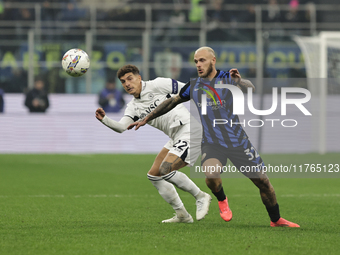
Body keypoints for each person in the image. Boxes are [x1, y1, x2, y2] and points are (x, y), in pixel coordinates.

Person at [128, 47, 300, 228]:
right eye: (196, 61)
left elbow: (250, 88)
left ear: (213, 60)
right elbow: (172, 101)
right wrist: (146, 118)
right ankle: (222, 199)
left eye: (202, 60)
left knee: (263, 183)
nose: (198, 65)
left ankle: (276, 220)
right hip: (212, 143)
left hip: (238, 142)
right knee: (211, 175)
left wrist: (240, 81)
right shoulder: (194, 85)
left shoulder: (227, 78)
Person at [95, 64, 211, 223]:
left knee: (166, 169)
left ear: (139, 78)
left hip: (189, 130)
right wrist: (104, 120)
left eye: (130, 79)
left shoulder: (158, 84)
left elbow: (190, 90)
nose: (127, 84)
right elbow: (122, 127)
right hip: (175, 136)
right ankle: (182, 214)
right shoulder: (133, 107)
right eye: (123, 82)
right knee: (154, 175)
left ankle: (201, 196)